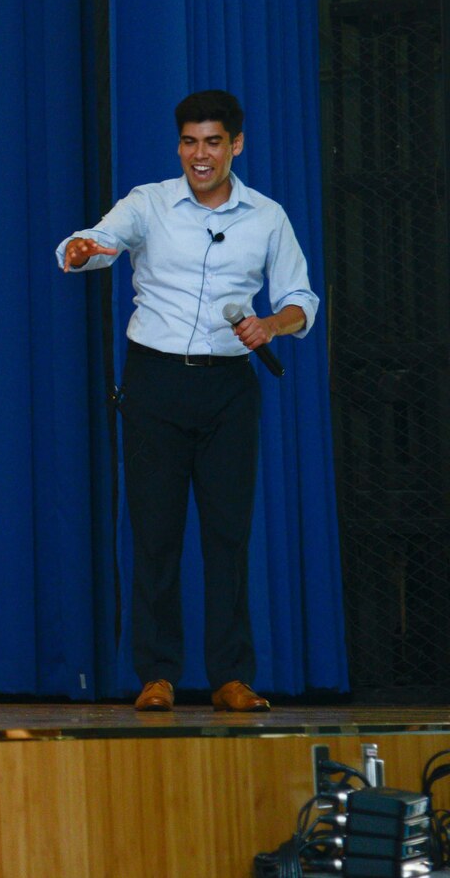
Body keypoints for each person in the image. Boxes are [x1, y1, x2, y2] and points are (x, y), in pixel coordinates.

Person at [57, 89, 319, 713]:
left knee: (228, 535)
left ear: (236, 145)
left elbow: (301, 299)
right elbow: (98, 239)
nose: (199, 156)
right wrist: (81, 249)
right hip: (154, 383)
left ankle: (231, 676)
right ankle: (157, 674)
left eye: (212, 143)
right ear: (179, 145)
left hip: (229, 389)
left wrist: (271, 326)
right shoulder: (149, 203)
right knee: (154, 533)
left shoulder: (267, 216)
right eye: (189, 142)